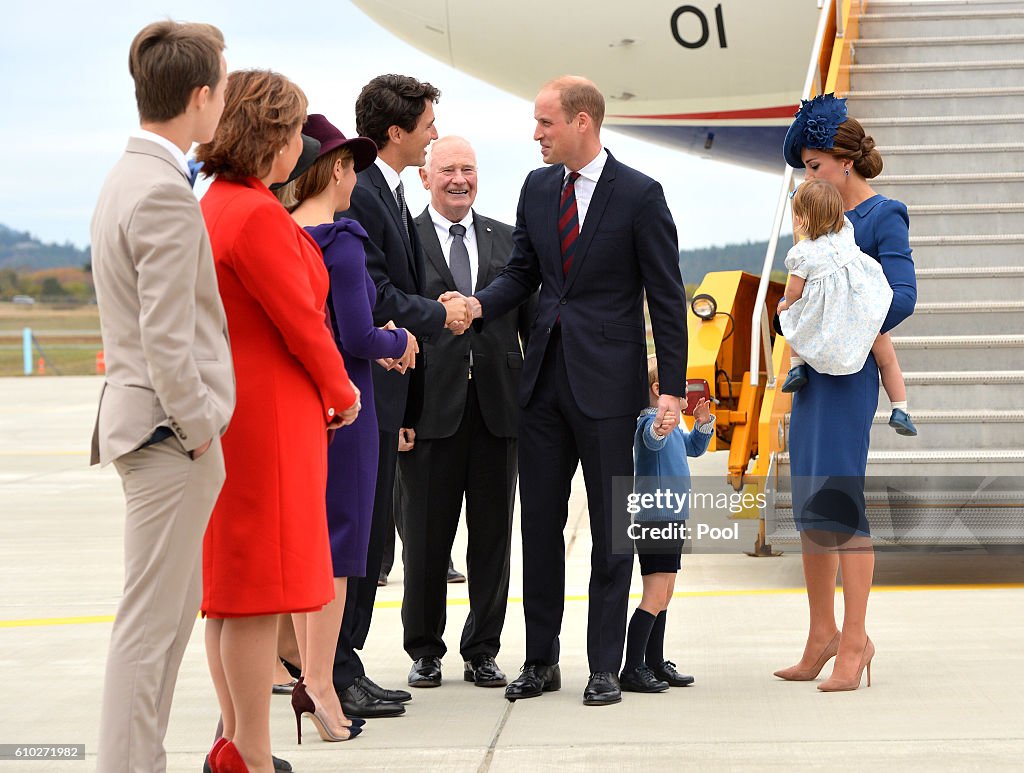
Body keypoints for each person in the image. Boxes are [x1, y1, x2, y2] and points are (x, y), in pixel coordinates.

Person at [457, 76, 689, 706]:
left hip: (610, 387)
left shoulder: (640, 195)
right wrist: (475, 306)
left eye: (545, 123)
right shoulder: (537, 188)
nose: (536, 135)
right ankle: (540, 661)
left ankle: (605, 666)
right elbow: (522, 275)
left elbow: (667, 296)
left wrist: (671, 387)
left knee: (613, 532)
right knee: (538, 527)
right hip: (542, 387)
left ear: (582, 122)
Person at [196, 70, 360, 772]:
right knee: (257, 592)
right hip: (269, 418)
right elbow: (301, 321)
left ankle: (235, 740)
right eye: (293, 131)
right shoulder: (258, 214)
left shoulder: (216, 203)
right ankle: (252, 756)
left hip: (236, 410)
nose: (300, 145)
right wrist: (340, 391)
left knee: (231, 594)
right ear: (270, 136)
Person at [90, 20, 233, 773]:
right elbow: (169, 337)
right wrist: (202, 425)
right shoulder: (163, 193)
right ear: (200, 97)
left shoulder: (129, 175)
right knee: (151, 630)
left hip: (149, 429)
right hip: (167, 436)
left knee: (166, 620)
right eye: (222, 89)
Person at [331, 74, 471, 719]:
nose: (434, 134)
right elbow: (376, 294)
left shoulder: (381, 191)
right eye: (426, 125)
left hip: (389, 393)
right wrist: (439, 312)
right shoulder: (361, 196)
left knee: (372, 539)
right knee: (360, 539)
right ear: (396, 132)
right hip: (367, 388)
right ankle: (337, 668)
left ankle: (344, 663)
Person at [774, 93, 916, 691]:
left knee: (840, 504)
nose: (807, 177)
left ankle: (855, 640)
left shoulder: (885, 215)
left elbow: (902, 295)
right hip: (811, 378)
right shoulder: (815, 221)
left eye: (813, 166)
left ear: (842, 163)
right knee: (810, 506)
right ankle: (820, 635)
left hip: (851, 374)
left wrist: (846, 323)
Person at [281, 112, 416, 740]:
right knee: (338, 555)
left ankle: (299, 673)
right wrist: (400, 336)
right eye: (351, 165)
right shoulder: (342, 239)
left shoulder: (283, 232)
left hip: (297, 407)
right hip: (349, 405)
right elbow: (359, 333)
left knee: (304, 547)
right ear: (336, 170)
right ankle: (323, 685)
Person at [399, 136, 535, 689]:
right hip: (430, 409)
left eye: (469, 170)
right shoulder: (405, 239)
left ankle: (482, 648)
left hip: (497, 410)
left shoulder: (508, 239)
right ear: (426, 177)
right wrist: (402, 413)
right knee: (426, 538)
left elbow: (526, 321)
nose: (460, 179)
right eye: (448, 169)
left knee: (492, 539)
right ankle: (425, 649)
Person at [777, 179, 917, 436]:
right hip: (865, 310)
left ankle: (796, 367)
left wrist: (785, 305)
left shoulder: (802, 253)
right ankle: (900, 409)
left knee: (793, 319)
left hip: (832, 316)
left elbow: (794, 292)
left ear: (800, 220)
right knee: (887, 360)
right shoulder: (847, 233)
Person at [621, 356, 713, 693]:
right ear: (660, 390)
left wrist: (702, 423)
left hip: (673, 515)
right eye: (680, 384)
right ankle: (633, 667)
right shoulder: (649, 423)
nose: (686, 390)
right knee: (654, 594)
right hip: (655, 518)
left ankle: (655, 661)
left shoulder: (675, 425)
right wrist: (662, 424)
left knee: (666, 594)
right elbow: (652, 440)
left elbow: (694, 449)